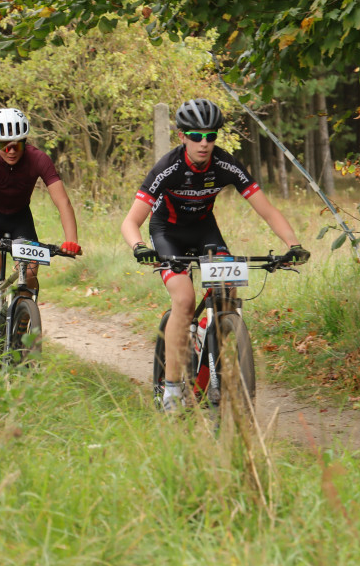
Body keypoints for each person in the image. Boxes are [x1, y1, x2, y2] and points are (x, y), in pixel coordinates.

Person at [120, 98, 310, 411]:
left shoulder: (225, 164)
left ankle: (212, 359)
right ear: (182, 136)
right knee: (183, 299)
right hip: (167, 233)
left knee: (227, 290)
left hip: (204, 229)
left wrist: (293, 244)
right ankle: (169, 391)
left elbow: (267, 210)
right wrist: (139, 247)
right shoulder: (167, 167)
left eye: (211, 136)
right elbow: (131, 221)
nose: (204, 143)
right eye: (196, 136)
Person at [0, 107, 81, 343]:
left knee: (31, 271)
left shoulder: (38, 159)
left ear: (26, 140)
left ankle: (21, 319)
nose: (12, 150)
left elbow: (63, 202)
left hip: (19, 218)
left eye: (18, 143)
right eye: (5, 144)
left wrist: (72, 240)